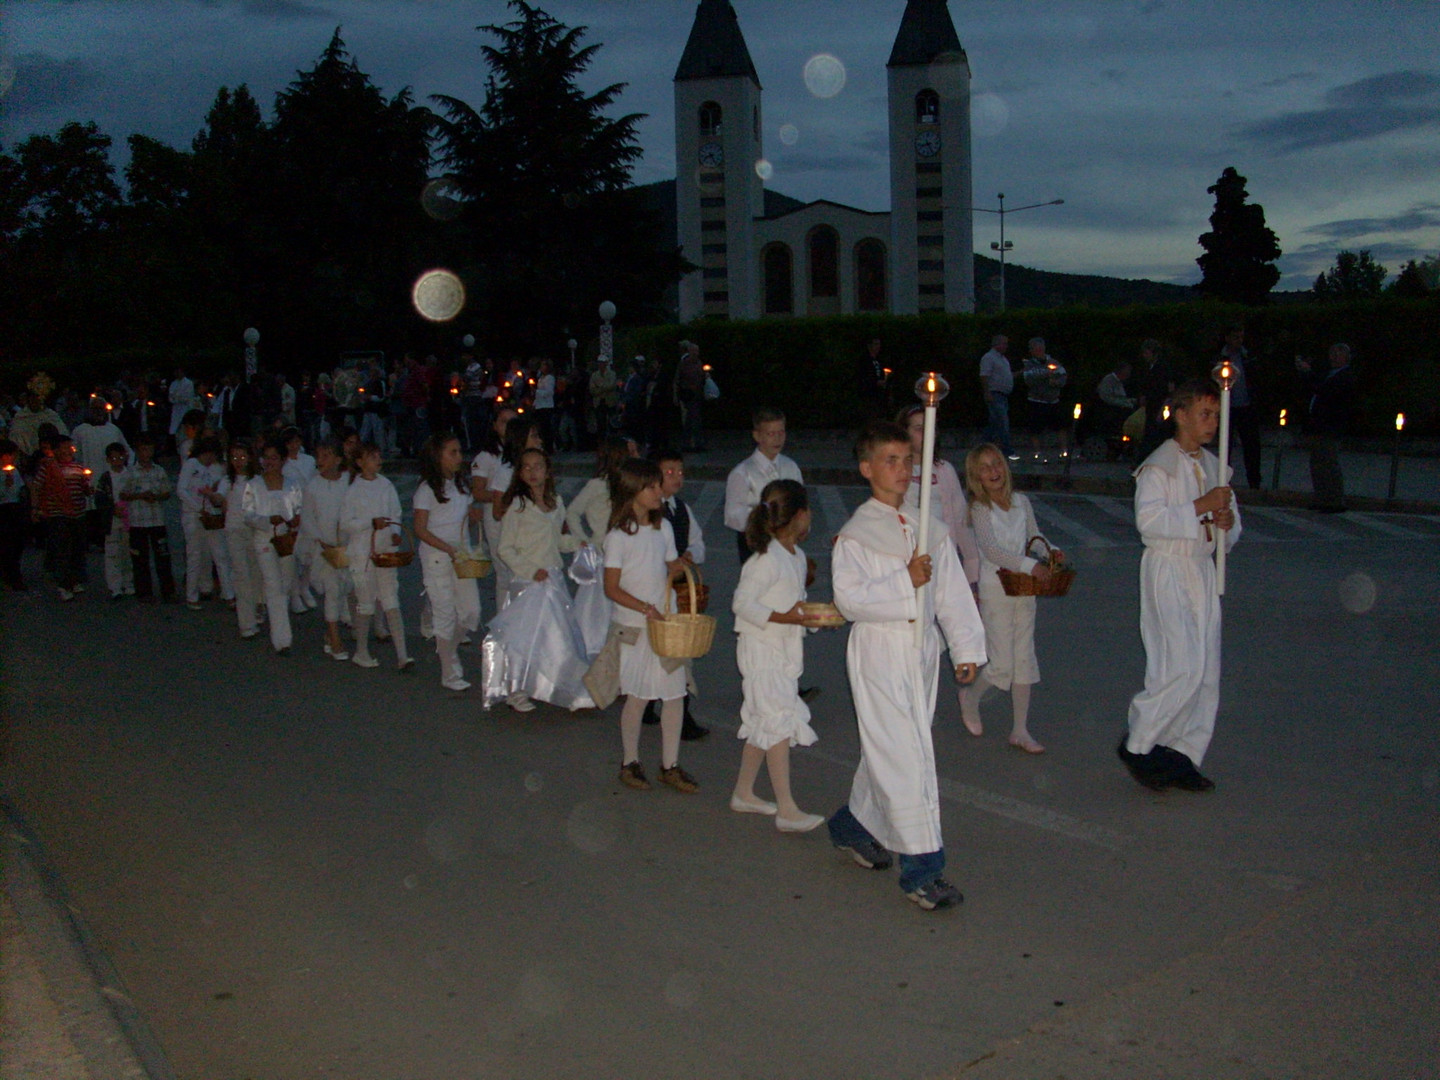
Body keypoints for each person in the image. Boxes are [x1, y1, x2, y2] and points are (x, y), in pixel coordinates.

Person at [827, 421, 987, 912]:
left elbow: (952, 592)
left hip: (919, 652)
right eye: (890, 461)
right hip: (880, 651)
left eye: (906, 460)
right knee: (907, 756)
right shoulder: (857, 533)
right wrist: (904, 578)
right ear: (867, 468)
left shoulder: (926, 526)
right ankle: (923, 870)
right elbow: (849, 601)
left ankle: (851, 825)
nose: (901, 470)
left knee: (899, 747)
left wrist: (965, 648)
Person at [1119, 380, 1242, 793]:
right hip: (1168, 569)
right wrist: (1200, 507)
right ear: (1181, 415)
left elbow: (1231, 525)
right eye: (1204, 414)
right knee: (1178, 664)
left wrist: (1226, 525)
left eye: (1216, 415)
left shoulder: (1214, 466)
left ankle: (1182, 754)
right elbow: (1149, 523)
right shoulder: (1158, 466)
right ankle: (1139, 743)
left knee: (1205, 670)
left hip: (1201, 571)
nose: (1212, 422)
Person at [730, 478, 826, 832]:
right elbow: (741, 603)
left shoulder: (796, 556)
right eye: (808, 511)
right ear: (799, 515)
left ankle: (743, 792)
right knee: (779, 723)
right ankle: (787, 809)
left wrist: (813, 619)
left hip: (783, 650)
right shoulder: (765, 559)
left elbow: (795, 604)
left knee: (763, 723)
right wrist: (785, 617)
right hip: (761, 651)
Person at [602, 458, 696, 793]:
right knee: (639, 697)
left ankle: (670, 765)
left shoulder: (663, 528)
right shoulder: (618, 537)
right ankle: (630, 761)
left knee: (674, 694)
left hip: (662, 625)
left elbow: (667, 565)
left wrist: (679, 566)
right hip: (635, 626)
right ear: (632, 491)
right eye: (653, 486)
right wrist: (645, 608)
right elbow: (611, 588)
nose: (660, 491)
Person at [960, 444, 1058, 754]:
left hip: (1024, 589)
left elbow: (1033, 536)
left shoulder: (1021, 502)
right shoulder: (980, 508)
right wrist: (1032, 565)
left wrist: (1049, 551)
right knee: (1001, 664)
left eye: (996, 464)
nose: (993, 472)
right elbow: (992, 551)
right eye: (985, 468)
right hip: (997, 590)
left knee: (1024, 659)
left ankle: (1020, 729)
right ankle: (971, 698)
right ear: (976, 477)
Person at [487, 447, 590, 711]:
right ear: (520, 473)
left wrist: (578, 543)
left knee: (557, 636)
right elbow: (505, 548)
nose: (533, 473)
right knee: (524, 639)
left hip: (552, 578)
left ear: (547, 470)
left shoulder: (555, 502)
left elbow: (556, 541)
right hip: (527, 581)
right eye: (527, 468)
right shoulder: (517, 507)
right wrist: (531, 570)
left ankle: (562, 687)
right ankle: (516, 690)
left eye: (538, 467)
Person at [642, 448, 710, 740]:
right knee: (665, 652)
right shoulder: (647, 511)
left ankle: (657, 706)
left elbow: (697, 542)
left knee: (676, 651)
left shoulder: (681, 509)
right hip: (654, 590)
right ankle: (670, 711)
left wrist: (691, 554)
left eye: (680, 472)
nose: (677, 477)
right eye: (669, 472)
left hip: (678, 590)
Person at [414, 433, 481, 691]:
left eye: (459, 451)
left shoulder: (461, 485)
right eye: (452, 452)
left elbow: (465, 518)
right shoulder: (426, 489)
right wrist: (447, 548)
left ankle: (447, 650)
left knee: (471, 612)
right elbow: (420, 529)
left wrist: (474, 517)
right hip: (437, 557)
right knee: (445, 614)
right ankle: (449, 670)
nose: (459, 457)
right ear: (437, 456)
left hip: (462, 556)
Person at [341, 442, 412, 671]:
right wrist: (370, 524)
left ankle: (402, 655)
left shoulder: (386, 485)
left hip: (384, 552)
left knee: (391, 600)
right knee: (366, 602)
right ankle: (361, 651)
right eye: (372, 457)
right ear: (360, 462)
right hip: (362, 553)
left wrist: (394, 533)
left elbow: (395, 513)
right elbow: (346, 524)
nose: (377, 460)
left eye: (378, 456)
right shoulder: (353, 490)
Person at [898, 406, 981, 594]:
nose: (926, 433)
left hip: (940, 561)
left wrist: (972, 573)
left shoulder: (944, 470)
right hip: (906, 562)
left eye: (930, 428)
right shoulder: (896, 470)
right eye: (918, 428)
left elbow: (961, 521)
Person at [566, 437, 629, 658]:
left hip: (623, 553)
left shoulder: (626, 484)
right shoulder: (597, 485)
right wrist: (583, 539)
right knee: (598, 614)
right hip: (602, 554)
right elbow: (572, 512)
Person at [245, 436, 303, 654]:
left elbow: (299, 510)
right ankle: (282, 640)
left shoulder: (292, 485)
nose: (270, 462)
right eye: (266, 458)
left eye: (274, 458)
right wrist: (267, 520)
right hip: (264, 541)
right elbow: (248, 515)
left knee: (285, 585)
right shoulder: (254, 485)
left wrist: (295, 521)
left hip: (286, 542)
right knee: (273, 586)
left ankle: (279, 626)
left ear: (283, 460)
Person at [723, 407, 803, 562]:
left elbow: (801, 504)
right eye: (771, 434)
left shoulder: (791, 467)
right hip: (756, 547)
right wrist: (764, 520)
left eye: (781, 432)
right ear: (757, 435)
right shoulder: (742, 472)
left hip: (788, 544)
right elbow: (732, 515)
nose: (778, 439)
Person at [300, 437, 353, 661]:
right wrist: (322, 541)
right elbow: (307, 518)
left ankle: (330, 630)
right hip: (323, 548)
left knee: (345, 585)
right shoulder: (313, 486)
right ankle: (335, 637)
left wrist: (347, 537)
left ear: (338, 459)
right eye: (319, 456)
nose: (321, 460)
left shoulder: (348, 482)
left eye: (327, 456)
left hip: (346, 546)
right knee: (332, 587)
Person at [31, 435, 92, 600]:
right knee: (62, 549)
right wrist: (35, 508)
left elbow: (85, 489)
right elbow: (37, 487)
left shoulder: (78, 466)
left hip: (78, 513)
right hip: (58, 514)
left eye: (70, 447)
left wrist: (88, 486)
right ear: (55, 450)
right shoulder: (48, 467)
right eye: (65, 447)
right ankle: (63, 584)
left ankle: (75, 580)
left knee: (77, 548)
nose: (69, 450)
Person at [1297, 344, 1355, 513]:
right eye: (1332, 353)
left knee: (1329, 463)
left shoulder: (1345, 376)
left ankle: (1335, 499)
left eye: (1338, 354)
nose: (1334, 357)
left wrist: (1308, 374)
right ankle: (1322, 497)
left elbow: (1326, 392)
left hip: (1330, 425)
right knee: (1318, 463)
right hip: (1319, 425)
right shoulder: (1328, 374)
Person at [177, 436, 233, 609]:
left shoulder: (213, 470)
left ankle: (229, 594)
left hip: (210, 515)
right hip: (193, 516)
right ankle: (192, 595)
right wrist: (197, 507)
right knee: (195, 555)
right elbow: (181, 490)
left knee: (219, 555)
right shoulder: (191, 465)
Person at [120, 433, 176, 604]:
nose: (147, 453)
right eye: (143, 450)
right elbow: (123, 493)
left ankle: (168, 591)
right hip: (138, 521)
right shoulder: (130, 472)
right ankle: (144, 591)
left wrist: (157, 496)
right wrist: (139, 495)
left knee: (163, 557)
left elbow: (167, 491)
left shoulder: (159, 471)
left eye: (149, 450)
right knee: (140, 559)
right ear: (137, 452)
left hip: (156, 520)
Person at [218, 440, 263, 640]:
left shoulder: (257, 480)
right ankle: (246, 623)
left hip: (254, 531)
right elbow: (220, 498)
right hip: (234, 531)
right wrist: (214, 498)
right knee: (241, 575)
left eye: (242, 457)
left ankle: (256, 608)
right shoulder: (228, 481)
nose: (238, 461)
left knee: (255, 573)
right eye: (234, 457)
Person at [1215, 325, 1262, 489]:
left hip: (1246, 406)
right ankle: (1223, 480)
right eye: (1235, 337)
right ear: (1227, 338)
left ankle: (1254, 481)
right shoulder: (1219, 357)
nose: (1238, 341)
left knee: (1251, 445)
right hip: (1227, 407)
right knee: (1225, 445)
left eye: (1241, 337)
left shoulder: (1248, 356)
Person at [95, 442, 134, 599]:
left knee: (128, 552)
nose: (117, 461)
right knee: (112, 553)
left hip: (129, 519)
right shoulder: (105, 478)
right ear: (108, 460)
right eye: (113, 458)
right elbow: (100, 499)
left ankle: (129, 582)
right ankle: (115, 586)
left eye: (120, 457)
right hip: (112, 520)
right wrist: (112, 509)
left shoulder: (130, 475)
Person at [1021, 337, 1070, 459]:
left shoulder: (1054, 362)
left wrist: (1056, 382)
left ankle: (1064, 452)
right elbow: (1028, 379)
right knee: (1035, 429)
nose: (1038, 351)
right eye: (1034, 349)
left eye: (1040, 348)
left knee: (1060, 426)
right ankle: (1038, 454)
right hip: (1036, 401)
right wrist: (1045, 374)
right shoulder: (1029, 364)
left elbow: (1063, 377)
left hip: (1053, 401)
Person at [1136, 338, 1175, 463]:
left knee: (1156, 433)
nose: (1145, 356)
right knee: (1150, 432)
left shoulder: (1162, 368)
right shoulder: (1149, 368)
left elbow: (1168, 388)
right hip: (1151, 404)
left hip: (1159, 403)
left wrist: (1165, 404)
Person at [978, 334, 1016, 459]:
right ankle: (1008, 451)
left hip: (1003, 395)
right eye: (1004, 343)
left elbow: (1007, 375)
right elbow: (984, 375)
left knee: (995, 423)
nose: (1006, 346)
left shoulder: (1003, 359)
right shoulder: (989, 358)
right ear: (997, 344)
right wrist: (987, 392)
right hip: (995, 394)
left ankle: (982, 446)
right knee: (1002, 422)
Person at [0, 439, 27, 591]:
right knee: (6, 544)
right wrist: (6, 485)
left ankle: (12, 571)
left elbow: (20, 488)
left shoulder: (14, 471)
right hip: (2, 509)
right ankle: (11, 575)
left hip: (14, 508)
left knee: (17, 543)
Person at [676, 341, 707, 451]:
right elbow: (680, 379)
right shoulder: (686, 363)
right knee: (694, 419)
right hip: (690, 394)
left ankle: (688, 443)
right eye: (694, 350)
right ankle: (696, 443)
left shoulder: (697, 362)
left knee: (691, 420)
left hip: (696, 394)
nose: (696, 353)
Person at [856, 337, 889, 419]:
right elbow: (862, 376)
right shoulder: (864, 360)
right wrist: (875, 382)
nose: (878, 347)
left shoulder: (879, 360)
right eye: (875, 344)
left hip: (879, 393)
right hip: (868, 393)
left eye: (879, 344)